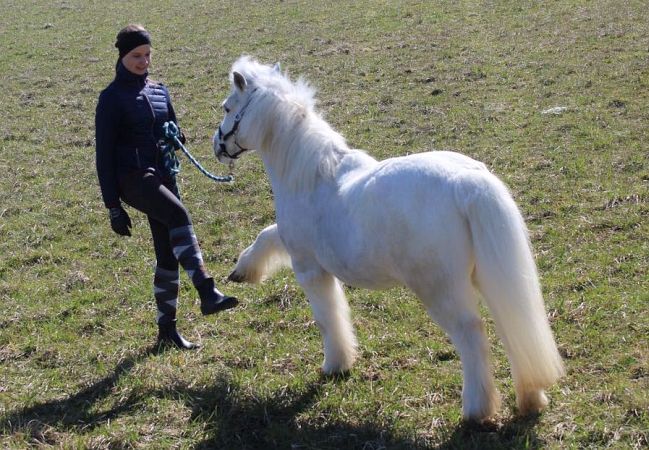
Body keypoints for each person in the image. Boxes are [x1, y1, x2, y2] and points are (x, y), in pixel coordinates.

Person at [95, 24, 238, 350]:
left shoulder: (160, 91)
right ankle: (206, 291)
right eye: (136, 56)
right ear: (122, 56)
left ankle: (167, 332)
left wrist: (176, 137)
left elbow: (172, 129)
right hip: (132, 178)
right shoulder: (111, 99)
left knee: (167, 254)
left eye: (147, 55)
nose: (143, 61)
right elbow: (103, 156)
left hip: (163, 174)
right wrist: (113, 206)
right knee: (178, 215)